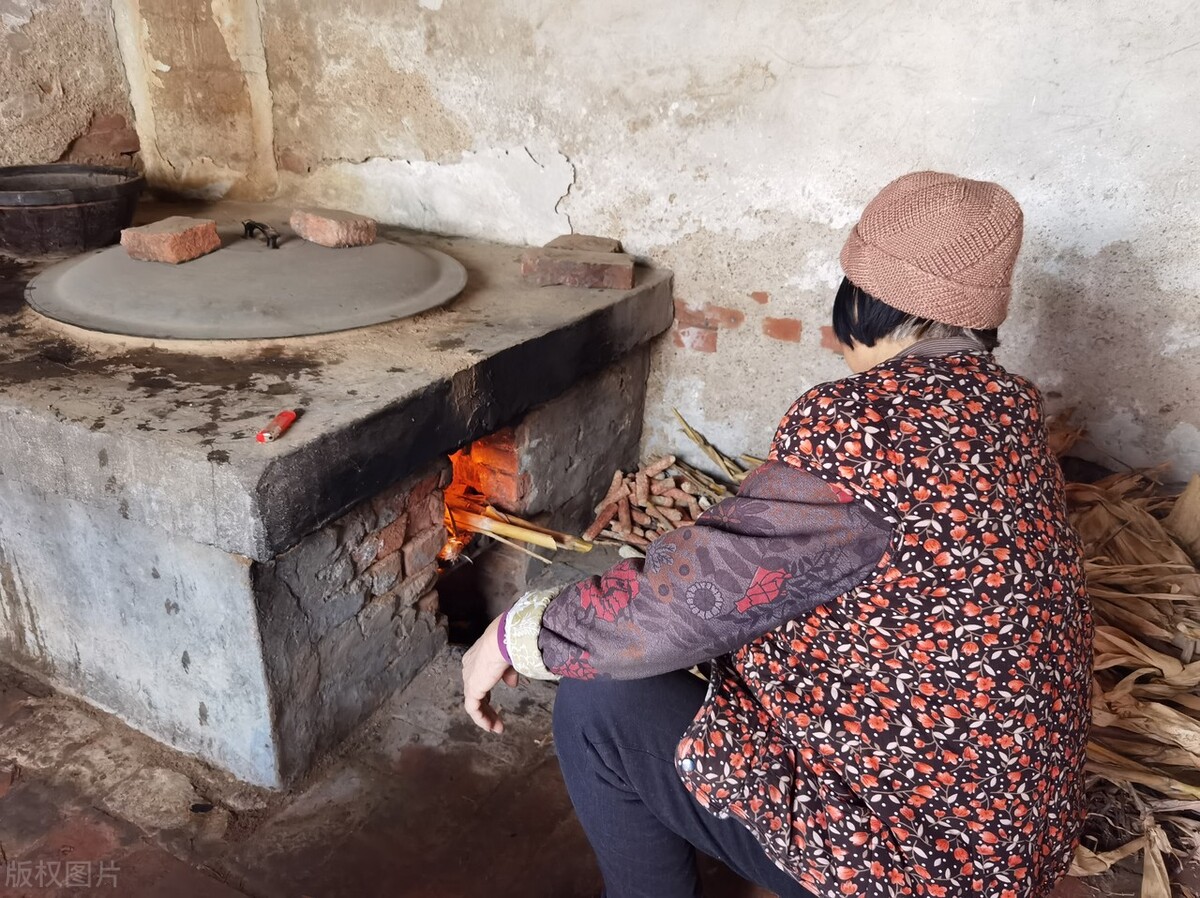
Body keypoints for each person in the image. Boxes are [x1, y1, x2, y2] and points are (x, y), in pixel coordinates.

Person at [462, 171, 1094, 898]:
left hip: (919, 868)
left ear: (866, 302)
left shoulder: (869, 427)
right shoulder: (1006, 414)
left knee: (601, 701)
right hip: (1009, 845)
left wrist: (515, 635)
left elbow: (677, 610)